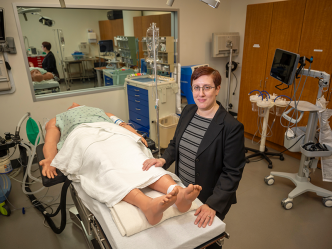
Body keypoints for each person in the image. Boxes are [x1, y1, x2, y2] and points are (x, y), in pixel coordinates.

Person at [39, 103, 202, 226]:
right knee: (103, 161)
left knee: (137, 157)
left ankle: (177, 192)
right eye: (73, 106)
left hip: (113, 133)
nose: (76, 105)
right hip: (83, 137)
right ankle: (147, 205)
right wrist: (49, 159)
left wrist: (135, 135)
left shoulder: (102, 112)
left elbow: (122, 125)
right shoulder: (58, 118)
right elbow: (50, 141)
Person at [143, 67, 246, 245]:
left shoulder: (231, 127)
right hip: (182, 188)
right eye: (196, 88)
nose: (201, 93)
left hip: (208, 196)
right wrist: (163, 159)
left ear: (218, 89)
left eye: (207, 87)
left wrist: (213, 204)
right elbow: (176, 143)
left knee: (201, 241)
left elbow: (232, 173)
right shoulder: (188, 111)